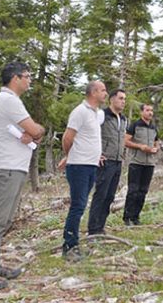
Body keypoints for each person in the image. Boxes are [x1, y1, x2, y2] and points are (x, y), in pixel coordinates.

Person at [0, 62, 45, 290]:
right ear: (15, 78)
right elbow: (37, 130)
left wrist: (32, 134)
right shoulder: (9, 100)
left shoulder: (10, 101)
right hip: (6, 168)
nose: (30, 80)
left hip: (11, 168)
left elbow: (33, 134)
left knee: (3, 220)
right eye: (27, 76)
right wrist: (34, 132)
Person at [60, 80, 108, 261]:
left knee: (81, 204)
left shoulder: (98, 114)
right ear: (93, 92)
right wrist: (70, 156)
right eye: (103, 90)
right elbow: (67, 138)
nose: (105, 94)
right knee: (78, 205)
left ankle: (73, 243)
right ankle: (69, 246)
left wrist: (95, 155)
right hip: (78, 166)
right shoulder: (79, 112)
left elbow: (89, 139)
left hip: (91, 165)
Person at [87, 89, 128, 236]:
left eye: (125, 99)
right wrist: (96, 154)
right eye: (120, 98)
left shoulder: (123, 119)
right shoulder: (102, 115)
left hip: (117, 161)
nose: (123, 101)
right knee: (101, 194)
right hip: (105, 161)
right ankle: (93, 229)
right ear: (111, 99)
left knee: (110, 196)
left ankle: (101, 227)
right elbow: (91, 133)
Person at [123, 103, 161, 226]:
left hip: (149, 163)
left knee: (143, 191)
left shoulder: (154, 128)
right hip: (136, 162)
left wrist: (156, 148)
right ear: (142, 112)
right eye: (147, 110)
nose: (150, 112)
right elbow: (126, 141)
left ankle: (136, 217)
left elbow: (157, 142)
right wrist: (140, 146)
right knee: (133, 190)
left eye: (151, 110)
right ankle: (127, 217)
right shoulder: (135, 125)